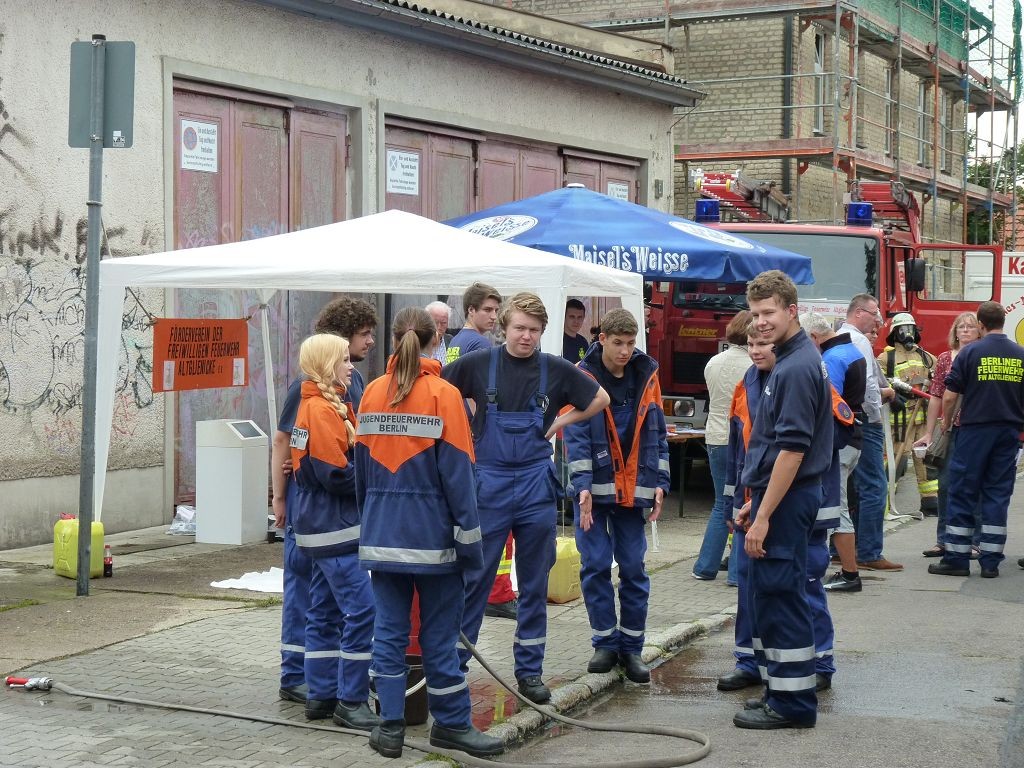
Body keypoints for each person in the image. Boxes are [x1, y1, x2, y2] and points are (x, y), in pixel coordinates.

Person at [443, 292, 610, 703]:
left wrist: (558, 424)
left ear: (542, 332)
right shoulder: (477, 364)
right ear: (504, 326)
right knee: (474, 581)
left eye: (534, 331)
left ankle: (530, 673)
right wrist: (464, 423)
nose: (526, 337)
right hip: (489, 485)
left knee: (534, 585)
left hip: (536, 488)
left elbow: (600, 399)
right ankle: (452, 670)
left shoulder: (555, 369)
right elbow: (439, 393)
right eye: (519, 328)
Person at [354, 307, 502, 759]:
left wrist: (373, 519)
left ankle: (390, 727)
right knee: (439, 636)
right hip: (435, 541)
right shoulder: (444, 395)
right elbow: (459, 475)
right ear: (435, 340)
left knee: (390, 634)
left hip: (382, 536)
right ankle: (452, 726)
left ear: (394, 339)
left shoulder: (373, 392)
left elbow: (361, 471)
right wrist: (470, 541)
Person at [732, 270, 832, 730]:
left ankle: (792, 705)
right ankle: (779, 691)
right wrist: (759, 502)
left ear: (791, 310)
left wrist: (764, 514)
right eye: (756, 314)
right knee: (772, 596)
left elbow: (792, 451)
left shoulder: (793, 367)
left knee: (782, 596)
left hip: (789, 500)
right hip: (782, 496)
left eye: (769, 312)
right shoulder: (793, 358)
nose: (762, 322)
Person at [271, 297, 377, 706]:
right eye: (363, 334)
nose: (368, 342)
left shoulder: (349, 384)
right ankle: (298, 675)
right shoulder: (309, 394)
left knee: (324, 604)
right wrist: (281, 496)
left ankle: (321, 685)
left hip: (325, 510)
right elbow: (291, 443)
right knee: (308, 594)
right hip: (319, 512)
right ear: (340, 339)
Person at [564, 308, 668, 684]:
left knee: (634, 568)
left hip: (633, 492)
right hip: (594, 491)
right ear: (602, 339)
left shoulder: (647, 375)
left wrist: (661, 482)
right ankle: (604, 642)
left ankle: (632, 648)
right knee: (594, 566)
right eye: (618, 343)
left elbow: (657, 430)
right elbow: (574, 434)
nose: (625, 351)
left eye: (630, 343)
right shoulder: (581, 376)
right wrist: (583, 488)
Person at [928, 301, 1024, 579]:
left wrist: (946, 423)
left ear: (980, 325)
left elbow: (949, 396)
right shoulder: (1020, 355)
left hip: (974, 431)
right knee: (997, 494)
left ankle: (957, 559)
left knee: (963, 491)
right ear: (1003, 322)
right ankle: (991, 561)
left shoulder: (971, 353)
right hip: (1008, 434)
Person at [715, 328, 776, 692]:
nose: (755, 351)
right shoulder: (746, 384)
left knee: (781, 587)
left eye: (763, 344)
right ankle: (747, 661)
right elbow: (737, 451)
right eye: (750, 344)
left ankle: (787, 663)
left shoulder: (793, 378)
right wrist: (729, 501)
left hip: (777, 501)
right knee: (747, 586)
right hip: (747, 501)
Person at [800, 312, 868, 594]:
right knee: (837, 505)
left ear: (813, 337)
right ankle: (843, 569)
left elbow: (827, 405)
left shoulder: (831, 359)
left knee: (835, 508)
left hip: (839, 442)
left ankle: (850, 574)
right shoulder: (851, 349)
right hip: (854, 440)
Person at [838, 295, 902, 572]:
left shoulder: (839, 337)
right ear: (859, 313)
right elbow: (868, 387)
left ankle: (840, 549)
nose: (878, 320)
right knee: (875, 486)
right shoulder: (859, 341)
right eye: (875, 314)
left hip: (845, 419)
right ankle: (869, 552)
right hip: (865, 420)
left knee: (847, 487)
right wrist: (876, 415)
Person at [914, 312, 982, 557]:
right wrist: (929, 433)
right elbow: (937, 396)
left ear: (979, 331)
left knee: (973, 483)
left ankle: (975, 540)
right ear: (954, 332)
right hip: (949, 428)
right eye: (960, 327)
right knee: (945, 483)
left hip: (973, 428)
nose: (965, 330)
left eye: (970, 327)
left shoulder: (982, 356)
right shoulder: (944, 358)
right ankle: (943, 539)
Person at [693, 310, 751, 583]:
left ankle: (705, 566)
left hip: (715, 437)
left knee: (720, 503)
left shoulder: (713, 362)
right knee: (743, 504)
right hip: (741, 439)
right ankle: (738, 573)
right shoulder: (754, 364)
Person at [878, 313, 938, 516]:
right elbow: (878, 382)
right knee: (897, 462)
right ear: (895, 333)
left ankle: (930, 502)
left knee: (925, 461)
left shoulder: (925, 356)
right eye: (903, 330)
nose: (907, 334)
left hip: (921, 419)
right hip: (900, 422)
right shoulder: (887, 357)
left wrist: (932, 384)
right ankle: (885, 503)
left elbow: (939, 377)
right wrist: (893, 392)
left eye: (911, 329)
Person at [445, 282, 502, 364]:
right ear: (471, 310)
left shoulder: (455, 340)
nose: (494, 317)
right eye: (487, 310)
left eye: (496, 310)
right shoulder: (480, 343)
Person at [562, 299, 590, 363]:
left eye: (579, 317)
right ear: (564, 317)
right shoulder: (556, 342)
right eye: (572, 317)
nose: (576, 321)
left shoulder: (583, 342)